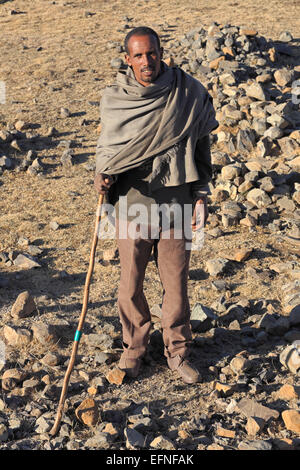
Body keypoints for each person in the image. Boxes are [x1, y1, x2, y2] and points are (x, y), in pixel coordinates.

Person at [94, 26, 218, 384]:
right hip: (132, 202)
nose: (147, 61)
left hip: (176, 201)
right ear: (127, 59)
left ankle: (177, 351)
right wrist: (102, 176)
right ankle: (134, 347)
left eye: (152, 53)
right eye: (139, 55)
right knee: (130, 283)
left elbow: (201, 146)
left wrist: (201, 194)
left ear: (161, 52)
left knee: (176, 283)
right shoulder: (115, 98)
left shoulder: (188, 92)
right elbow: (109, 151)